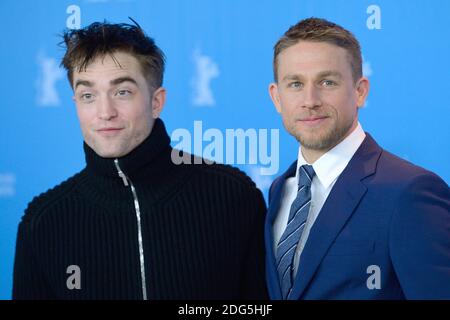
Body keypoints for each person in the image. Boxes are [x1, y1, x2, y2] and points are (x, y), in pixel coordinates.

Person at [13, 21, 268, 300]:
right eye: (88, 95)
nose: (105, 112)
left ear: (156, 102)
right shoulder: (45, 221)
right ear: (76, 103)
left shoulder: (232, 195)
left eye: (122, 92)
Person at [265, 17, 450, 299]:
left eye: (327, 82)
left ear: (360, 91)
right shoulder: (281, 190)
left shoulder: (410, 191)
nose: (310, 100)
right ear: (277, 97)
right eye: (295, 84)